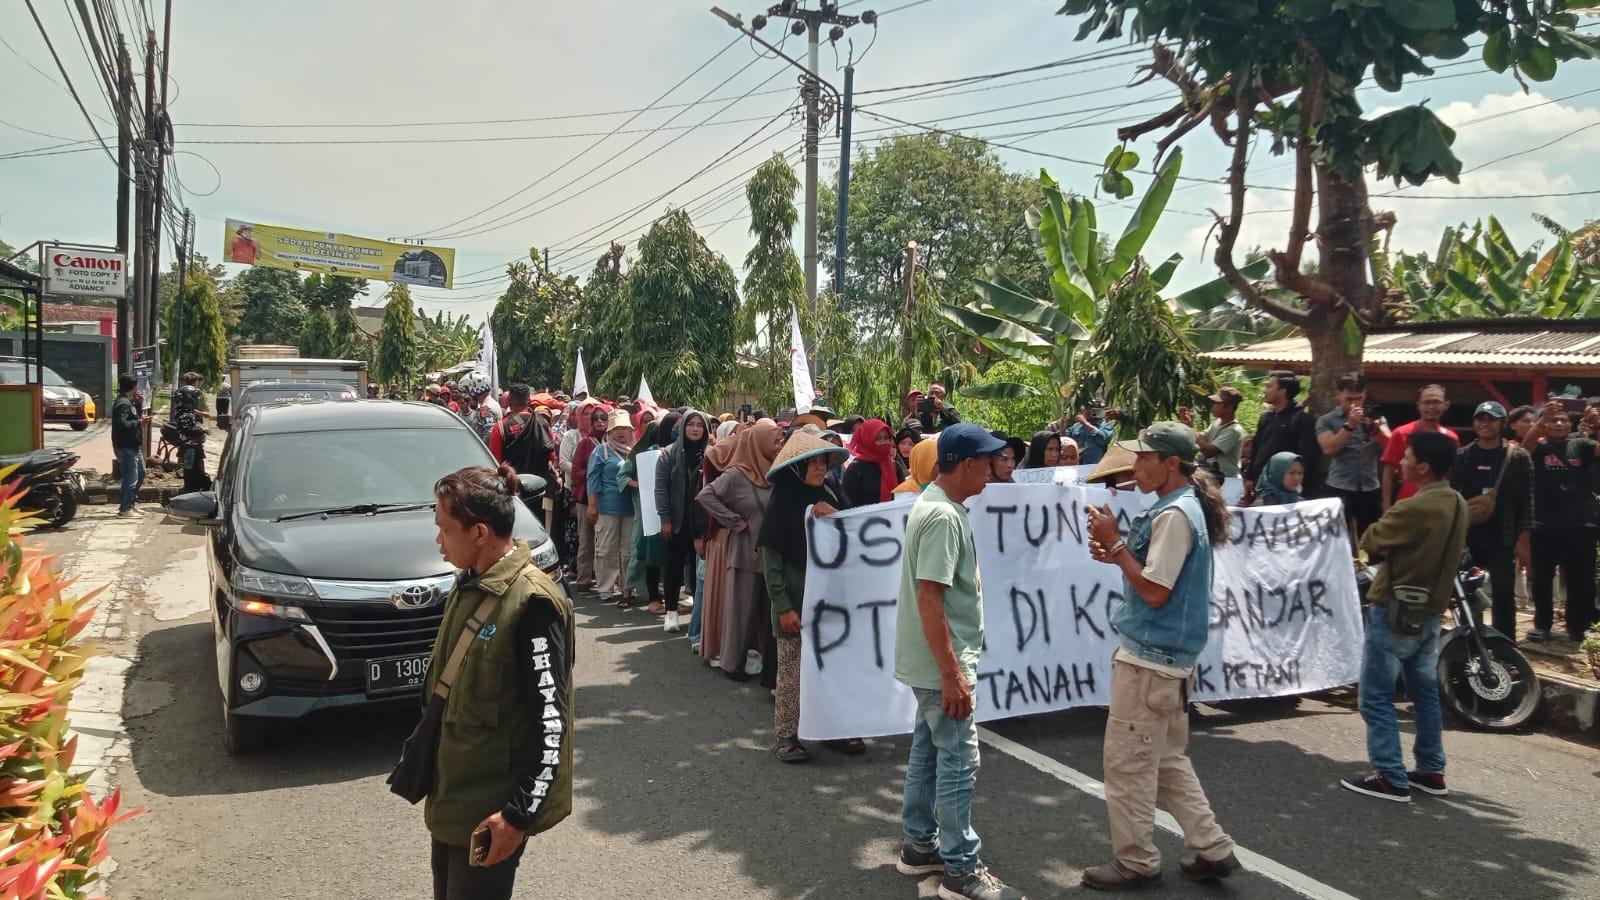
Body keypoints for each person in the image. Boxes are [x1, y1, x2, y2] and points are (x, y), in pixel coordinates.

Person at [1082, 422, 1240, 890]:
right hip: (1167, 662)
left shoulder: (1173, 515)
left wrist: (1113, 544)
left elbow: (1153, 591)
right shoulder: (1179, 507)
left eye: (1146, 458)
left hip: (1149, 663)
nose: (1137, 466)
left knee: (1128, 765)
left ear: (1171, 464)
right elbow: (1152, 578)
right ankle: (1213, 846)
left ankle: (1135, 861)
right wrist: (1116, 553)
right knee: (1167, 760)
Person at [408, 465, 573, 899]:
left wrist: (517, 817)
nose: (438, 540)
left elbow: (551, 723)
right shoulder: (470, 583)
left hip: (490, 812)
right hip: (453, 799)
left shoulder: (532, 604)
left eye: (445, 529)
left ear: (479, 533)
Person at [891, 424, 1023, 900]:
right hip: (940, 667)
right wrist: (953, 674)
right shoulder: (944, 516)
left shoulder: (937, 505)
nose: (995, 469)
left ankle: (918, 845)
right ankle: (961, 870)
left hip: (929, 664)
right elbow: (931, 600)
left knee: (928, 752)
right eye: (989, 461)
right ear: (966, 464)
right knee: (958, 761)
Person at [1341, 431, 1468, 803]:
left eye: (1407, 456)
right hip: (1430, 611)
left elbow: (1372, 539)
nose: (1400, 462)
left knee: (1376, 696)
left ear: (1423, 467)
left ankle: (1390, 776)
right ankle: (1431, 769)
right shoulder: (1457, 501)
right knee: (1424, 692)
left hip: (1395, 608)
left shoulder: (1414, 506)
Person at [759, 430, 849, 764]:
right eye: (811, 463)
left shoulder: (831, 493)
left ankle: (831, 730)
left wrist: (833, 517)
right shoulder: (782, 503)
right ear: (796, 468)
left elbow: (851, 538)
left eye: (822, 461)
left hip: (831, 604)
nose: (818, 468)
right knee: (792, 674)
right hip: (795, 605)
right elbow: (771, 561)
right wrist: (783, 607)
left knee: (831, 670)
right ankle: (786, 736)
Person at [698, 418, 784, 681]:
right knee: (740, 610)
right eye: (775, 440)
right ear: (759, 442)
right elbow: (705, 496)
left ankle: (764, 664)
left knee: (765, 613)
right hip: (745, 552)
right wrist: (733, 521)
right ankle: (731, 663)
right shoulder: (738, 474)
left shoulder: (776, 471)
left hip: (769, 554)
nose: (780, 444)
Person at [1451, 401, 1533, 642]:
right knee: (1467, 591)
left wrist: (1524, 537)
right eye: (1480, 419)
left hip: (1503, 534)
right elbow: (1454, 495)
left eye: (1491, 419)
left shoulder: (1518, 456)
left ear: (1502, 423)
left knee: (1504, 593)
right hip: (1469, 536)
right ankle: (1470, 640)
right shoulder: (1463, 455)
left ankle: (1505, 643)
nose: (1485, 424)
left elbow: (1527, 500)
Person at [1523, 399, 1600, 642]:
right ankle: (1542, 625)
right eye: (1554, 420)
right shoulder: (1539, 448)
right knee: (1542, 579)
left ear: (1571, 424)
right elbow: (1523, 449)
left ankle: (1577, 627)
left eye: (1564, 420)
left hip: (1581, 525)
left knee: (1581, 579)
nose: (1558, 423)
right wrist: (1540, 422)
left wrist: (1598, 422)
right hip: (1545, 525)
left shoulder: (1583, 444)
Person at [1316, 373, 1390, 542]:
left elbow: (1391, 449)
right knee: (1336, 540)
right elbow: (1329, 449)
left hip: (1370, 488)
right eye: (1349, 399)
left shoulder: (1375, 418)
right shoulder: (1326, 420)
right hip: (1339, 487)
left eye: (1359, 398)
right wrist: (1349, 426)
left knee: (1374, 541)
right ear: (1338, 395)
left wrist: (1377, 430)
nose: (1354, 403)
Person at [656, 410, 711, 631]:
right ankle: (671, 612)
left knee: (701, 571)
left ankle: (698, 619)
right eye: (691, 424)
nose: (695, 429)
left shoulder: (712, 454)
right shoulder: (668, 454)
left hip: (702, 523)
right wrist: (665, 518)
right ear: (683, 428)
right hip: (676, 521)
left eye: (700, 425)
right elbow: (661, 489)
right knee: (674, 567)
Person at [697, 423, 742, 663]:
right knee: (719, 593)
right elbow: (703, 497)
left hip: (733, 537)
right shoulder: (715, 459)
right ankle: (715, 646)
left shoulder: (751, 464)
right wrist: (734, 520)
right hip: (721, 536)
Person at [1244, 371, 1320, 504]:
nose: (1265, 390)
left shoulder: (1300, 419)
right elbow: (1256, 450)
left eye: (1269, 386)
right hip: (1261, 488)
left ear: (1282, 391)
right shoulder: (1266, 417)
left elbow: (1307, 456)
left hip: (1286, 494)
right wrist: (1250, 477)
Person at [1380, 384, 1457, 511]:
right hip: (1407, 504)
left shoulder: (1451, 438)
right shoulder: (1401, 433)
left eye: (1436, 402)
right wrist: (1386, 508)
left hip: (1439, 505)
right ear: (1418, 405)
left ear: (1446, 405)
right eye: (1426, 402)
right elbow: (1388, 472)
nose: (1431, 407)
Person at [587, 410, 635, 602]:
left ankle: (627, 586)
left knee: (629, 550)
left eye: (624, 428)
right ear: (610, 431)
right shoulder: (601, 450)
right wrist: (592, 505)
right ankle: (605, 587)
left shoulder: (635, 450)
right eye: (616, 428)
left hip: (631, 507)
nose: (621, 432)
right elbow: (592, 478)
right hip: (607, 507)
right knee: (606, 549)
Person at [619, 421, 667, 612]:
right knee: (638, 549)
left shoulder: (665, 453)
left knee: (658, 552)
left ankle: (651, 590)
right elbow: (622, 477)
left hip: (660, 508)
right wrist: (640, 484)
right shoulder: (637, 455)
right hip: (643, 508)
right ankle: (627, 591)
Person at [569, 401, 608, 590]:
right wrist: (596, 471)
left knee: (606, 543)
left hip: (608, 499)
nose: (600, 421)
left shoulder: (614, 442)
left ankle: (604, 580)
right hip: (585, 499)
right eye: (596, 419)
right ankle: (584, 579)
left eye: (604, 418)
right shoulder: (585, 443)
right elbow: (575, 471)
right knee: (586, 541)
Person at [491, 385, 557, 488]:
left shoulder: (500, 427)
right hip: (539, 485)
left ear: (509, 401)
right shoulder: (542, 423)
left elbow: (494, 461)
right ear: (529, 400)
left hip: (511, 487)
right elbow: (551, 455)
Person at [841, 419, 907, 508]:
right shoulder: (856, 468)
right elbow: (847, 503)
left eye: (886, 437)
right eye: (878, 438)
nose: (883, 442)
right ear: (867, 440)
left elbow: (902, 498)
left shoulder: (895, 467)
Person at [112, 373, 147, 518]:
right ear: (133, 387)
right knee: (130, 478)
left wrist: (139, 403)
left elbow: (132, 417)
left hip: (133, 445)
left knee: (141, 473)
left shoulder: (129, 401)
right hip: (126, 446)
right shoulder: (123, 403)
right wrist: (138, 423)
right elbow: (121, 424)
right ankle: (125, 509)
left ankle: (131, 504)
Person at [1195, 387, 1246, 478]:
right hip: (1215, 476)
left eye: (1218, 404)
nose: (1214, 406)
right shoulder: (1217, 423)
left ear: (1229, 407)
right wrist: (1188, 427)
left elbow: (1209, 452)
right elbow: (1201, 437)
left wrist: (1190, 432)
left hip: (1227, 479)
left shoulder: (1234, 430)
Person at [1065, 400, 1118, 465]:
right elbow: (1065, 440)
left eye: (1092, 409)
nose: (1088, 411)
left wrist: (1086, 423)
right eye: (1086, 409)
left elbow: (1104, 439)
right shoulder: (1077, 425)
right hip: (1077, 467)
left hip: (1094, 467)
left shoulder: (1105, 424)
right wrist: (1063, 425)